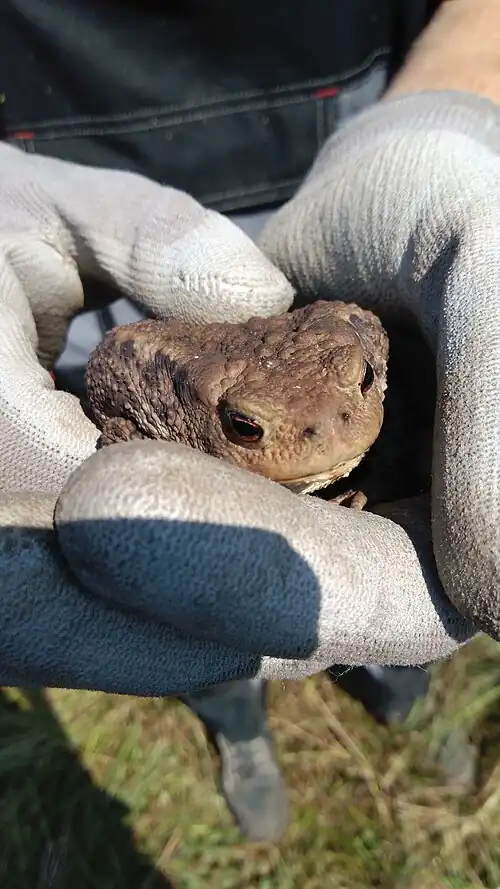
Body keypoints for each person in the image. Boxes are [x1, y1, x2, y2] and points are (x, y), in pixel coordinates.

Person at [0, 0, 498, 843]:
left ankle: (386, 669)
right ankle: (234, 719)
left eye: (360, 387)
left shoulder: (350, 357)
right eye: (252, 429)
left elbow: (354, 345)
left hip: (339, 203)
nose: (332, 428)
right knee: (184, 582)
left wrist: (452, 105)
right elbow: (123, 381)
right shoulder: (190, 396)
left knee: (381, 574)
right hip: (97, 256)